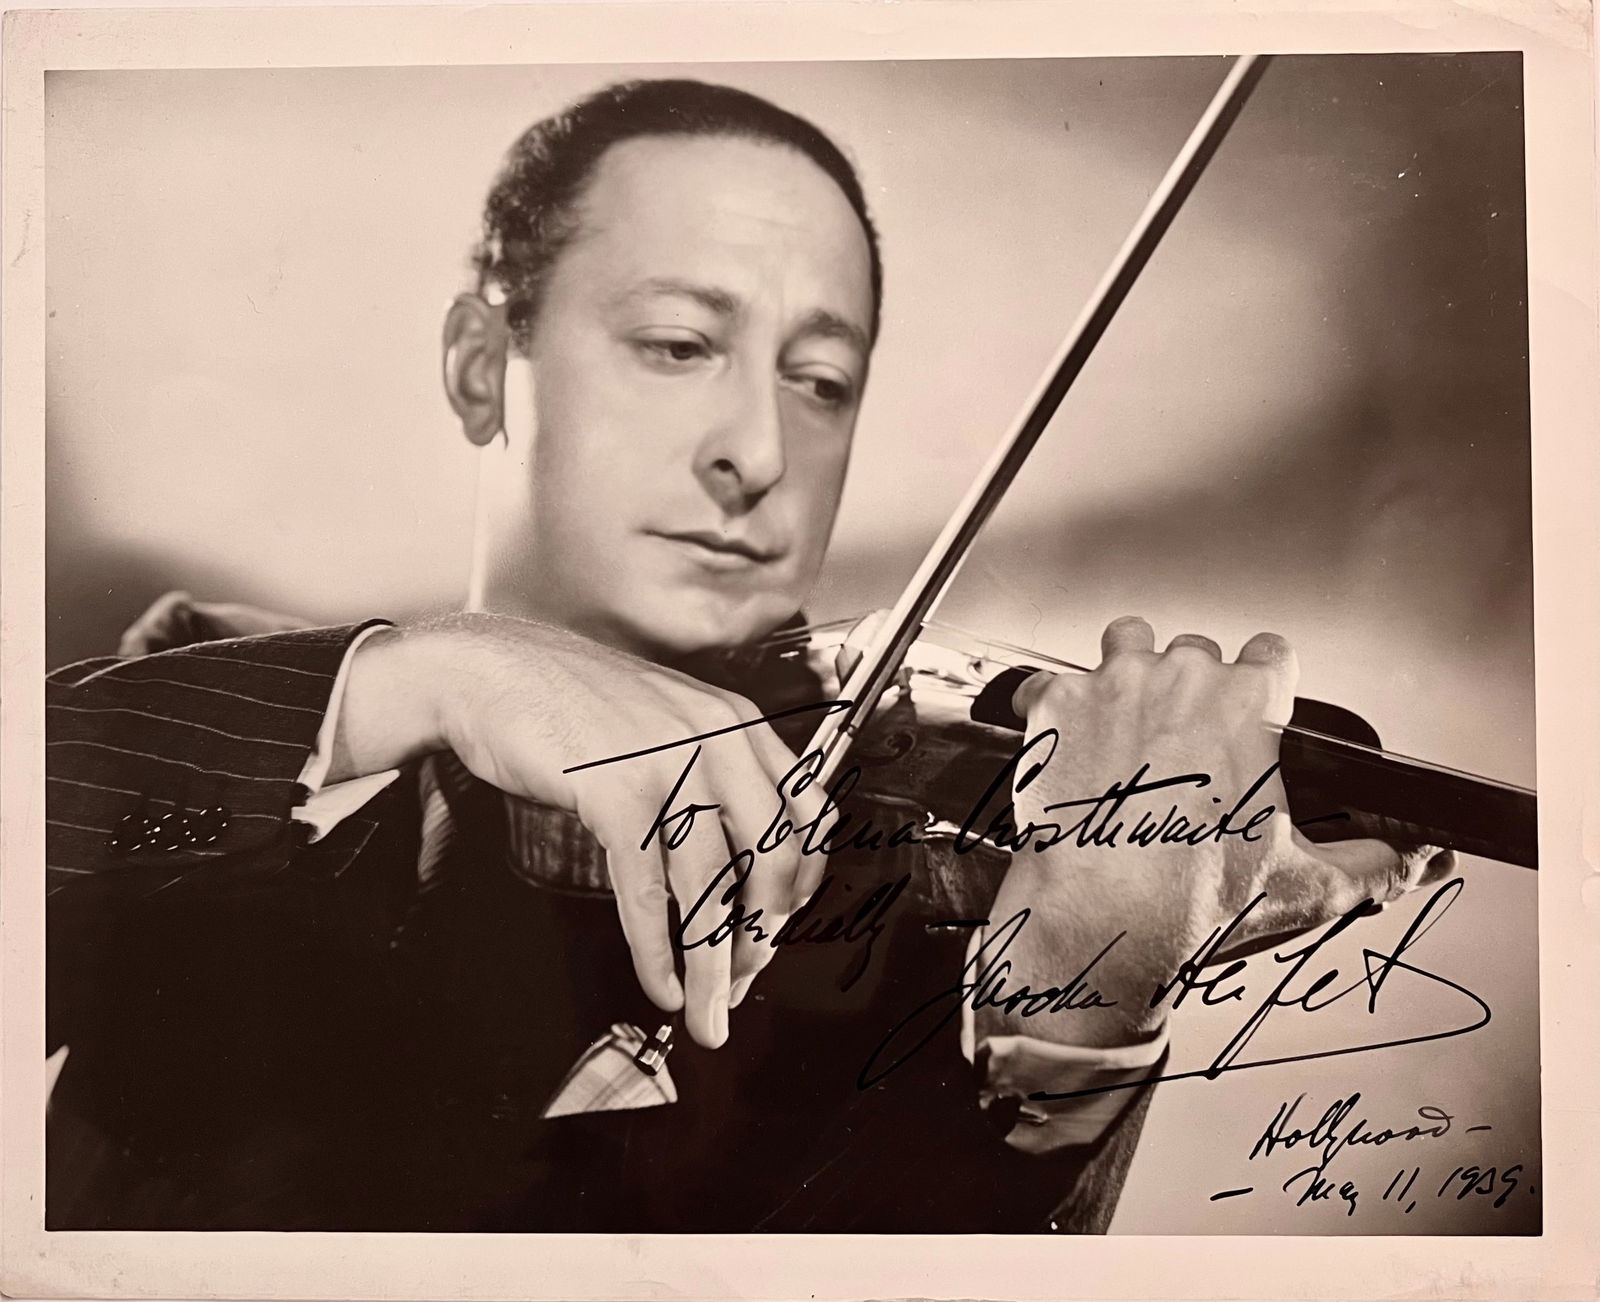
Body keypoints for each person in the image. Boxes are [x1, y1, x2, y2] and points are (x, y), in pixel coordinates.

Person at [44, 78, 1448, 1232]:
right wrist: (432, 673)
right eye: (676, 345)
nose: (760, 453)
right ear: (481, 364)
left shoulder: (909, 920)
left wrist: (1082, 997)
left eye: (821, 382)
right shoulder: (229, 701)